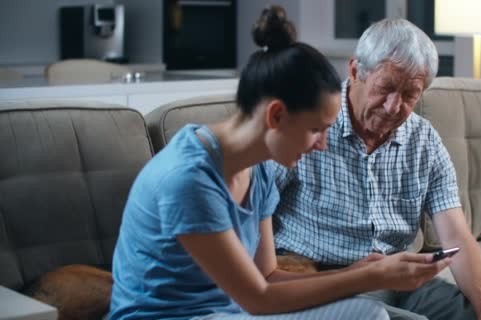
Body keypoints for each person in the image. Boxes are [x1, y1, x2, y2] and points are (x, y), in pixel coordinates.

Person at [109, 7, 452, 320]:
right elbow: (258, 298)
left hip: (230, 311)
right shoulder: (188, 179)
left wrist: (356, 273)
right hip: (174, 317)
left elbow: (269, 275)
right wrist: (368, 276)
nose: (322, 145)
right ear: (277, 115)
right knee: (370, 316)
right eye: (316, 130)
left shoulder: (255, 171)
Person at [271, 18, 481, 320]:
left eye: (410, 95)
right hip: (312, 278)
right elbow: (250, 218)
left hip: (394, 277)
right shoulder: (308, 124)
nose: (394, 106)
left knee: (478, 314)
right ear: (356, 71)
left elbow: (457, 237)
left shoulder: (424, 142)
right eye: (386, 87)